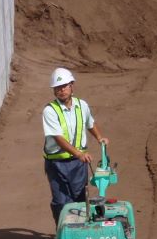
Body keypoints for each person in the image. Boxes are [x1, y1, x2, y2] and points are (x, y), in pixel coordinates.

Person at [42, 67, 109, 224]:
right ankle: (62, 234)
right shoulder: (50, 111)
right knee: (61, 202)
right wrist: (79, 154)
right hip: (56, 164)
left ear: (72, 86)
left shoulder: (82, 105)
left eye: (64, 86)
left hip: (78, 165)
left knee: (79, 200)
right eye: (58, 88)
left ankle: (79, 232)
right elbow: (58, 138)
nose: (62, 90)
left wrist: (100, 138)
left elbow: (90, 123)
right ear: (54, 90)